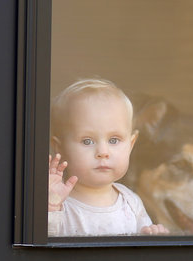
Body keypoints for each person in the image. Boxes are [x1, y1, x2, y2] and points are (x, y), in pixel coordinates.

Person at [47, 78, 169, 236]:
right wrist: (51, 206)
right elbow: (44, 246)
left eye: (114, 140)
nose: (103, 152)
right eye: (87, 141)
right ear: (59, 147)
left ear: (131, 145)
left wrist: (151, 237)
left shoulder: (131, 203)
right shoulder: (60, 204)